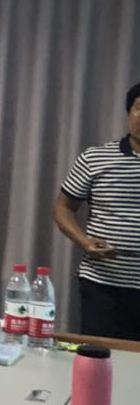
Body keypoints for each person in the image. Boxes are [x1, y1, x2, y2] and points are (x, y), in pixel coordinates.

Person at [53, 82, 140, 339]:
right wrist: (84, 241)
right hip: (104, 284)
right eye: (139, 108)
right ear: (128, 113)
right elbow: (63, 207)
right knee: (100, 355)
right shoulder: (95, 158)